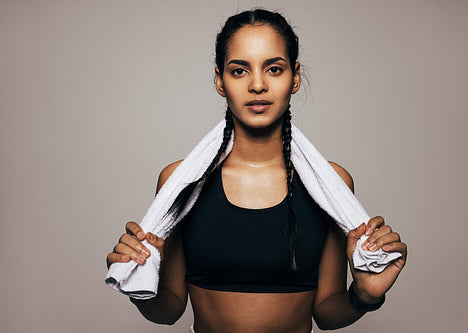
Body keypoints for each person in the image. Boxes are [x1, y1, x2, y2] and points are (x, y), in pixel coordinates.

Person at [106, 9, 407, 333]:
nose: (258, 85)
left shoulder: (331, 184)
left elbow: (327, 312)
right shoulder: (181, 182)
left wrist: (364, 296)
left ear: (294, 77)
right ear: (220, 80)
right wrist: (136, 280)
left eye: (274, 69)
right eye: (239, 71)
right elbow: (169, 308)